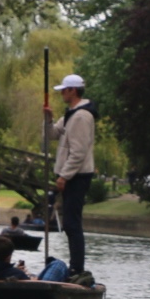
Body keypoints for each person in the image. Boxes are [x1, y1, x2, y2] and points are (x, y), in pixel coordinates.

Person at [44, 74, 96, 277]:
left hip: (78, 176)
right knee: (69, 223)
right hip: (72, 175)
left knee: (72, 223)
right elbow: (52, 135)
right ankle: (76, 265)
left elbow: (78, 151)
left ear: (73, 90)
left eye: (64, 90)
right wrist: (48, 119)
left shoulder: (82, 116)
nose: (61, 94)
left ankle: (77, 267)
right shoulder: (71, 114)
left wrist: (64, 176)